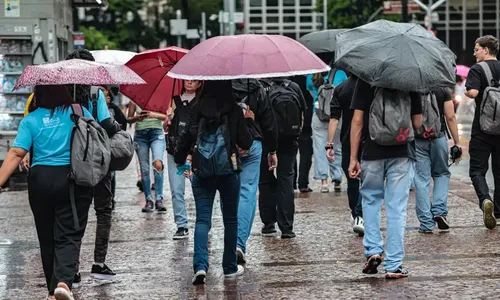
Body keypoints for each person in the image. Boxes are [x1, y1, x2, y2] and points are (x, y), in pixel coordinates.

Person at [0, 85, 94, 300]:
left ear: (38, 95)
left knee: (46, 236)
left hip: (40, 180)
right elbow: (94, 138)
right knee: (69, 233)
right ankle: (63, 282)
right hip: (71, 179)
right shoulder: (78, 112)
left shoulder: (31, 120)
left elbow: (17, 152)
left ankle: (53, 291)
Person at [174, 80, 254, 284]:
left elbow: (186, 138)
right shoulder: (234, 109)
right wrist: (249, 121)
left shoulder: (197, 108)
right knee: (230, 219)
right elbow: (246, 142)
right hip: (228, 170)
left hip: (202, 170)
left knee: (202, 219)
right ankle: (229, 268)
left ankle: (200, 267)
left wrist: (179, 158)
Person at [349, 79, 422, 279]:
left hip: (371, 151)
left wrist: (353, 158)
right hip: (402, 152)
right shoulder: (410, 81)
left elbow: (357, 120)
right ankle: (394, 264)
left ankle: (373, 250)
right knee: (396, 207)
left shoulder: (366, 80)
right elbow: (417, 123)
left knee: (370, 201)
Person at [66, 49, 122, 282]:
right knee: (103, 210)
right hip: (98, 162)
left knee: (74, 214)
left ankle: (73, 268)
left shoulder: (61, 92)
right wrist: (117, 127)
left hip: (70, 160)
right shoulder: (95, 92)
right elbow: (108, 125)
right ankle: (99, 263)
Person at [232, 78, 278, 264]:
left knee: (229, 193)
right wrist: (272, 150)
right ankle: (239, 243)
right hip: (253, 142)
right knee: (248, 191)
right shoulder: (257, 87)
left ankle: (232, 241)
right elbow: (268, 122)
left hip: (227, 144)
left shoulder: (218, 84)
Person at [258, 77, 307, 238]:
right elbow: (301, 115)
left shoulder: (260, 87)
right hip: (289, 139)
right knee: (286, 179)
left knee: (265, 180)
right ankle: (287, 227)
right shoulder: (293, 86)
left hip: (266, 139)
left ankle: (269, 223)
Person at [465, 35, 500, 230]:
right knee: (499, 172)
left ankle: (485, 199)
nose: (474, 53)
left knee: (477, 170)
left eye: (476, 49)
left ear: (486, 50)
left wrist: (467, 91)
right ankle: (499, 213)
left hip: (483, 128)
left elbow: (474, 93)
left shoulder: (477, 69)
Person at [414, 88, 461, 233]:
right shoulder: (443, 90)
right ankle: (440, 212)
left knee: (421, 180)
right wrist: (457, 142)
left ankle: (426, 223)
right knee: (441, 174)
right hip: (438, 138)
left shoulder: (412, 88)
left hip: (417, 139)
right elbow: (450, 117)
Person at [327, 74, 364, 235]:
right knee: (368, 178)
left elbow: (334, 119)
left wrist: (329, 144)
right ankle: (360, 214)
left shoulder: (341, 88)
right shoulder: (369, 86)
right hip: (369, 138)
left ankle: (356, 213)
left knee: (352, 180)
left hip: (348, 140)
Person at [164, 80, 202, 239]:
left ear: (199, 84)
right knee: (176, 189)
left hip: (195, 152)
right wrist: (167, 120)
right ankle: (181, 225)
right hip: (175, 150)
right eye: (187, 80)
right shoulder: (174, 100)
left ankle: (203, 223)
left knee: (199, 189)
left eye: (194, 81)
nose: (190, 83)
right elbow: (167, 127)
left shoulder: (201, 102)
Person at [307, 70, 347, 192]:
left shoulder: (310, 75)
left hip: (318, 114)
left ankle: (324, 182)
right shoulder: (340, 74)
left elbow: (311, 94)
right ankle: (337, 178)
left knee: (320, 149)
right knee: (337, 147)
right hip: (336, 116)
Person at [127, 102, 167, 213]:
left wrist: (152, 115)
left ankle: (159, 199)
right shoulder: (135, 98)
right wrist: (137, 117)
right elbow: (128, 119)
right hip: (140, 136)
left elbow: (166, 116)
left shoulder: (158, 97)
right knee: (144, 169)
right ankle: (148, 199)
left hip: (157, 133)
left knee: (158, 164)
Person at [99, 85, 128, 211]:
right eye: (105, 94)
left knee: (111, 174)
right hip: (100, 143)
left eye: (107, 94)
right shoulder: (97, 106)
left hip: (109, 144)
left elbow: (123, 121)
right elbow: (109, 125)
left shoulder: (114, 108)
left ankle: (110, 198)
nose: (108, 96)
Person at [291, 75, 314, 193]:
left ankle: (292, 182)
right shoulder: (308, 79)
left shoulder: (289, 82)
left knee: (291, 153)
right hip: (306, 120)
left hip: (290, 121)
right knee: (306, 153)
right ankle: (303, 183)